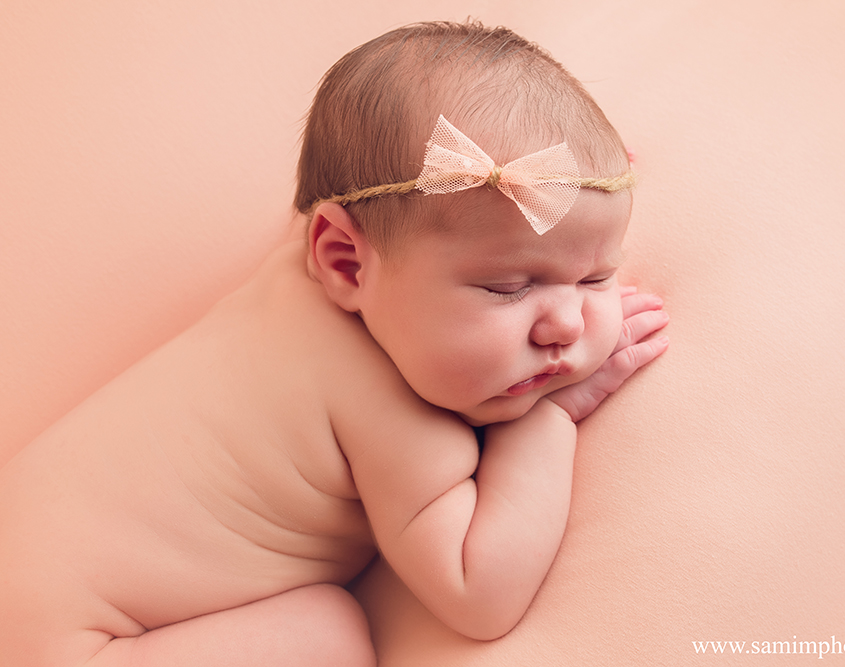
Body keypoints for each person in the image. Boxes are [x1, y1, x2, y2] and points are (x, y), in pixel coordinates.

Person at [0, 21, 668, 667]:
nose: (567, 325)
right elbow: (480, 592)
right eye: (506, 287)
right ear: (344, 261)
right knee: (327, 634)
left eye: (596, 277)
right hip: (72, 647)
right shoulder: (389, 412)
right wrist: (550, 418)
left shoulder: (308, 266)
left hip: (26, 549)